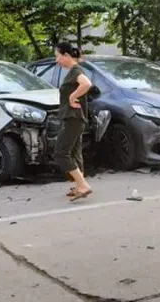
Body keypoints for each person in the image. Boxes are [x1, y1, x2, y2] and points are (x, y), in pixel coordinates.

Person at [54, 42, 93, 201]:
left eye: (58, 56)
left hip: (73, 118)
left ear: (66, 55)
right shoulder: (72, 71)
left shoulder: (75, 70)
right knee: (75, 152)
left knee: (61, 152)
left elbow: (87, 84)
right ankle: (79, 186)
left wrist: (72, 96)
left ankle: (83, 185)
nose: (57, 61)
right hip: (76, 118)